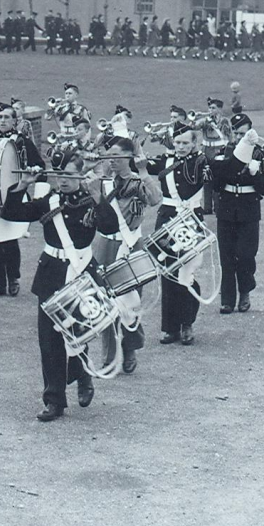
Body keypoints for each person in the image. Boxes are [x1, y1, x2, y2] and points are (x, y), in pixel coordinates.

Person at [2, 145, 119, 421]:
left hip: (82, 272)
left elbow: (110, 227)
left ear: (81, 174)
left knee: (79, 331)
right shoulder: (49, 201)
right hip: (51, 273)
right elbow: (12, 213)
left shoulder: (90, 200)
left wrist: (97, 195)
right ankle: (54, 400)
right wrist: (23, 185)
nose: (63, 180)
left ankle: (82, 375)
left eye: (68, 174)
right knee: (49, 340)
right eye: (59, 175)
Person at [94, 135, 160, 373]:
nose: (111, 160)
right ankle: (109, 356)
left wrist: (143, 171)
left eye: (116, 156)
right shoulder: (102, 182)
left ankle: (130, 347)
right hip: (105, 245)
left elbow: (155, 199)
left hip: (130, 245)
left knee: (130, 301)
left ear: (129, 157)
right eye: (108, 156)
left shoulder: (137, 182)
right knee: (105, 302)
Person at [146, 128, 207, 345]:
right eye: (177, 142)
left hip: (191, 219)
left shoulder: (200, 162)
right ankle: (170, 328)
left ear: (194, 143)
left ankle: (187, 323)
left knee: (187, 271)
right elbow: (140, 166)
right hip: (167, 218)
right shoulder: (166, 160)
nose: (180, 147)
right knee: (168, 271)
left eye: (185, 143)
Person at [208, 114, 264, 313]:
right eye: (236, 133)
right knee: (226, 256)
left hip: (248, 208)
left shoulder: (259, 154)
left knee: (245, 255)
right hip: (227, 208)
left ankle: (245, 291)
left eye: (243, 133)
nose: (239, 137)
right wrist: (223, 170)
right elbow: (215, 185)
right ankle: (227, 299)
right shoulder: (223, 153)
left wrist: (255, 174)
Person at [0, 102, 44, 297]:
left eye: (7, 117)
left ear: (15, 121)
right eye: (0, 117)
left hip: (13, 196)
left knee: (9, 240)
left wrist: (34, 171)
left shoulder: (22, 142)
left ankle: (13, 279)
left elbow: (40, 166)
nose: (2, 120)